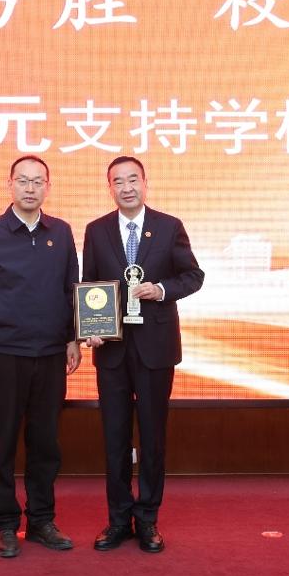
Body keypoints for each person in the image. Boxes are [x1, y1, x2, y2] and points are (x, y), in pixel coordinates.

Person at [82, 156, 204, 553]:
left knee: (152, 437)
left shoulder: (169, 226)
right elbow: (89, 286)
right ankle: (118, 520)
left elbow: (193, 276)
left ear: (145, 183)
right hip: (112, 350)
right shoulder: (96, 230)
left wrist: (161, 290)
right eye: (118, 181)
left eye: (133, 179)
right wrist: (89, 328)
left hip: (156, 348)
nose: (126, 187)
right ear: (110, 188)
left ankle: (148, 519)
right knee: (114, 438)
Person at [0, 155, 82, 558]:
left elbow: (71, 289)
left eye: (37, 181)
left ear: (48, 186)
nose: (30, 188)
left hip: (50, 355)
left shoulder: (61, 232)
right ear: (10, 185)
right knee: (3, 444)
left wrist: (73, 338)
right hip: (3, 356)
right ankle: (6, 523)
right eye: (23, 181)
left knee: (46, 443)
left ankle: (42, 520)